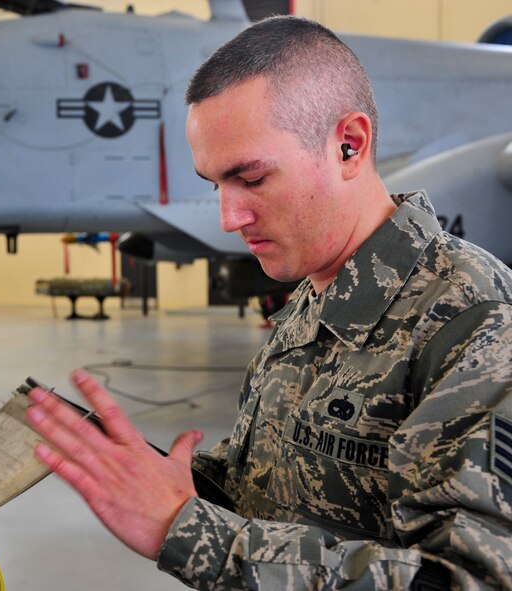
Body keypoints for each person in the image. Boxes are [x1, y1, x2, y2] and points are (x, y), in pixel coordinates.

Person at [25, 16, 512, 590]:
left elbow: (470, 581)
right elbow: (283, 487)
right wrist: (167, 480)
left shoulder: (474, 321)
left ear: (348, 146)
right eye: (215, 185)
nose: (229, 218)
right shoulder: (316, 295)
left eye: (252, 179)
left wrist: (183, 529)